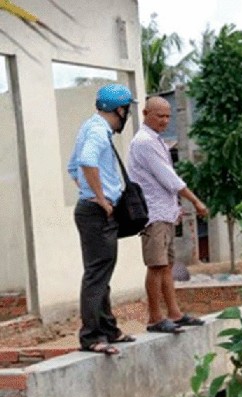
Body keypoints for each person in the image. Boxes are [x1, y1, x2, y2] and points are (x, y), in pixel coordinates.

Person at [127, 96, 209, 333]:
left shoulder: (156, 140)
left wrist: (175, 208)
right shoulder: (144, 142)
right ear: (145, 114)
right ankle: (155, 318)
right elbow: (168, 178)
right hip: (152, 215)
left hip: (164, 212)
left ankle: (174, 313)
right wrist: (194, 200)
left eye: (167, 116)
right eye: (159, 116)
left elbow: (162, 181)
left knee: (166, 265)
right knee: (156, 265)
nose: (164, 121)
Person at [67, 83, 138, 355]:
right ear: (120, 109)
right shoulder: (98, 130)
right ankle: (92, 336)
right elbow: (85, 162)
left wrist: (89, 192)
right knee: (97, 275)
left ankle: (108, 330)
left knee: (101, 272)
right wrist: (99, 197)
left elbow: (72, 167)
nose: (127, 114)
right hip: (96, 212)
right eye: (127, 109)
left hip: (90, 209)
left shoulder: (89, 127)